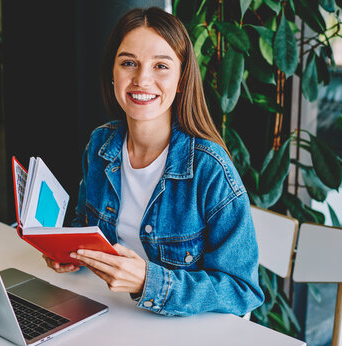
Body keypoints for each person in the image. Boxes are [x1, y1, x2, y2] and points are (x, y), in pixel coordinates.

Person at [43, 7, 264, 316]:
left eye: (161, 65)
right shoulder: (100, 146)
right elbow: (87, 225)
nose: (142, 79)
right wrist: (69, 252)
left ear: (181, 78)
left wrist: (150, 282)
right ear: (112, 72)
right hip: (110, 313)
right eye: (129, 63)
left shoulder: (209, 168)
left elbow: (243, 290)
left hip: (183, 333)